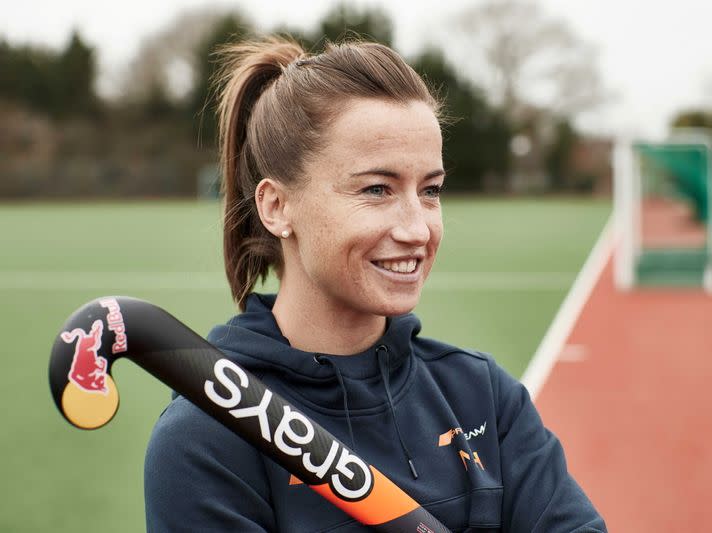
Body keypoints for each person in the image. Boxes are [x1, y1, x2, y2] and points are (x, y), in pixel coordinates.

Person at [144, 36, 606, 532]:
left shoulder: (482, 396)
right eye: (377, 189)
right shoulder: (207, 439)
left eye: (430, 191)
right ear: (276, 206)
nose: (417, 228)